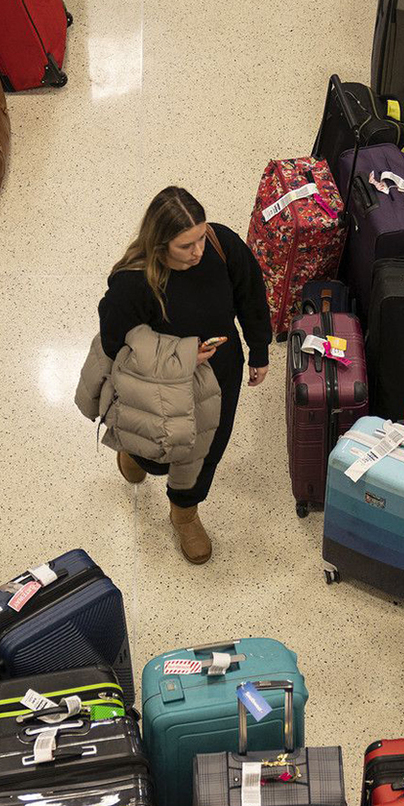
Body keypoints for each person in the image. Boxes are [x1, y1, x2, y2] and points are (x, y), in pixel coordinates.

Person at [96, 186, 272, 564]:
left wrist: (259, 348)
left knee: (207, 449)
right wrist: (182, 356)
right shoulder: (133, 282)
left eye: (200, 238)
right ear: (159, 245)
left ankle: (184, 513)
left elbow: (251, 294)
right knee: (156, 452)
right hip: (160, 387)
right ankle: (134, 455)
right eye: (185, 246)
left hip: (220, 377)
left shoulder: (220, 243)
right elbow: (115, 345)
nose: (198, 251)